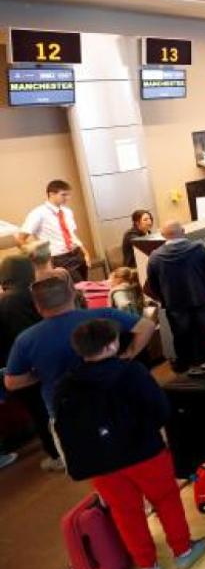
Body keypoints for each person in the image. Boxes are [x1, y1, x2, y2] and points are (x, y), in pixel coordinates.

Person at [55, 319, 205, 569]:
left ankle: (147, 565)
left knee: (125, 512)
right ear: (112, 343)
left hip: (101, 465)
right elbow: (161, 410)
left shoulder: (66, 386)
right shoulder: (132, 372)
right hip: (144, 452)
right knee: (166, 500)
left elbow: (64, 429)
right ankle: (183, 551)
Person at [5, 276, 155, 469]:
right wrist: (128, 354)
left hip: (67, 413)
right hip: (116, 400)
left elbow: (12, 382)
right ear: (71, 295)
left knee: (94, 468)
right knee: (138, 456)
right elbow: (147, 326)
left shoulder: (26, 339)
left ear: (37, 306)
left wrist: (40, 375)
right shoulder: (102, 315)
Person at [144, 221, 205, 372]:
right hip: (203, 300)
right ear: (183, 231)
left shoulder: (155, 257)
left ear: (163, 236)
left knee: (181, 337)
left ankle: (186, 369)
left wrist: (164, 300)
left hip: (175, 305)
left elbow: (152, 284)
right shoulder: (197, 249)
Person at [0, 256, 56, 470]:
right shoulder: (36, 292)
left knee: (40, 411)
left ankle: (56, 454)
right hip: (48, 356)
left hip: (23, 364)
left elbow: (18, 337)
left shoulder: (6, 301)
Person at [17, 179, 90, 282]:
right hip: (59, 258)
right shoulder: (38, 213)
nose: (67, 198)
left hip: (77, 254)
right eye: (63, 195)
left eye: (68, 195)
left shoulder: (67, 211)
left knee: (86, 286)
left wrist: (85, 252)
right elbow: (20, 239)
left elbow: (72, 234)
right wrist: (38, 257)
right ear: (51, 194)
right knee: (77, 288)